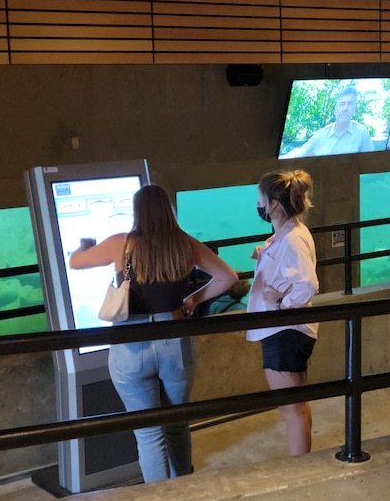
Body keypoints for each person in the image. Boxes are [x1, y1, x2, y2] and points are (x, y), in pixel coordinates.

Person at [69, 184, 238, 482]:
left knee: (149, 433)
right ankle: (183, 488)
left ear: (138, 212)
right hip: (175, 340)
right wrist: (195, 299)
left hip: (130, 344)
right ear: (167, 210)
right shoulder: (185, 244)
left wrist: (85, 245)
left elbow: (76, 262)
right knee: (176, 423)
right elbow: (228, 277)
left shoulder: (121, 244)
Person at [248, 169, 319, 455]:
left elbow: (308, 283)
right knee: (297, 405)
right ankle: (305, 466)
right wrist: (263, 254)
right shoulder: (288, 232)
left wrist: (281, 304)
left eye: (261, 199)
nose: (259, 205)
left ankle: (299, 474)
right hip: (285, 331)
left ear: (274, 203)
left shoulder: (292, 238)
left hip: (284, 331)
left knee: (291, 409)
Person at [287, 87, 374, 157]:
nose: (345, 109)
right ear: (335, 110)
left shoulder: (361, 133)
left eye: (350, 104)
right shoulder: (320, 135)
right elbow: (298, 155)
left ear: (354, 109)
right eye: (342, 104)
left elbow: (370, 162)